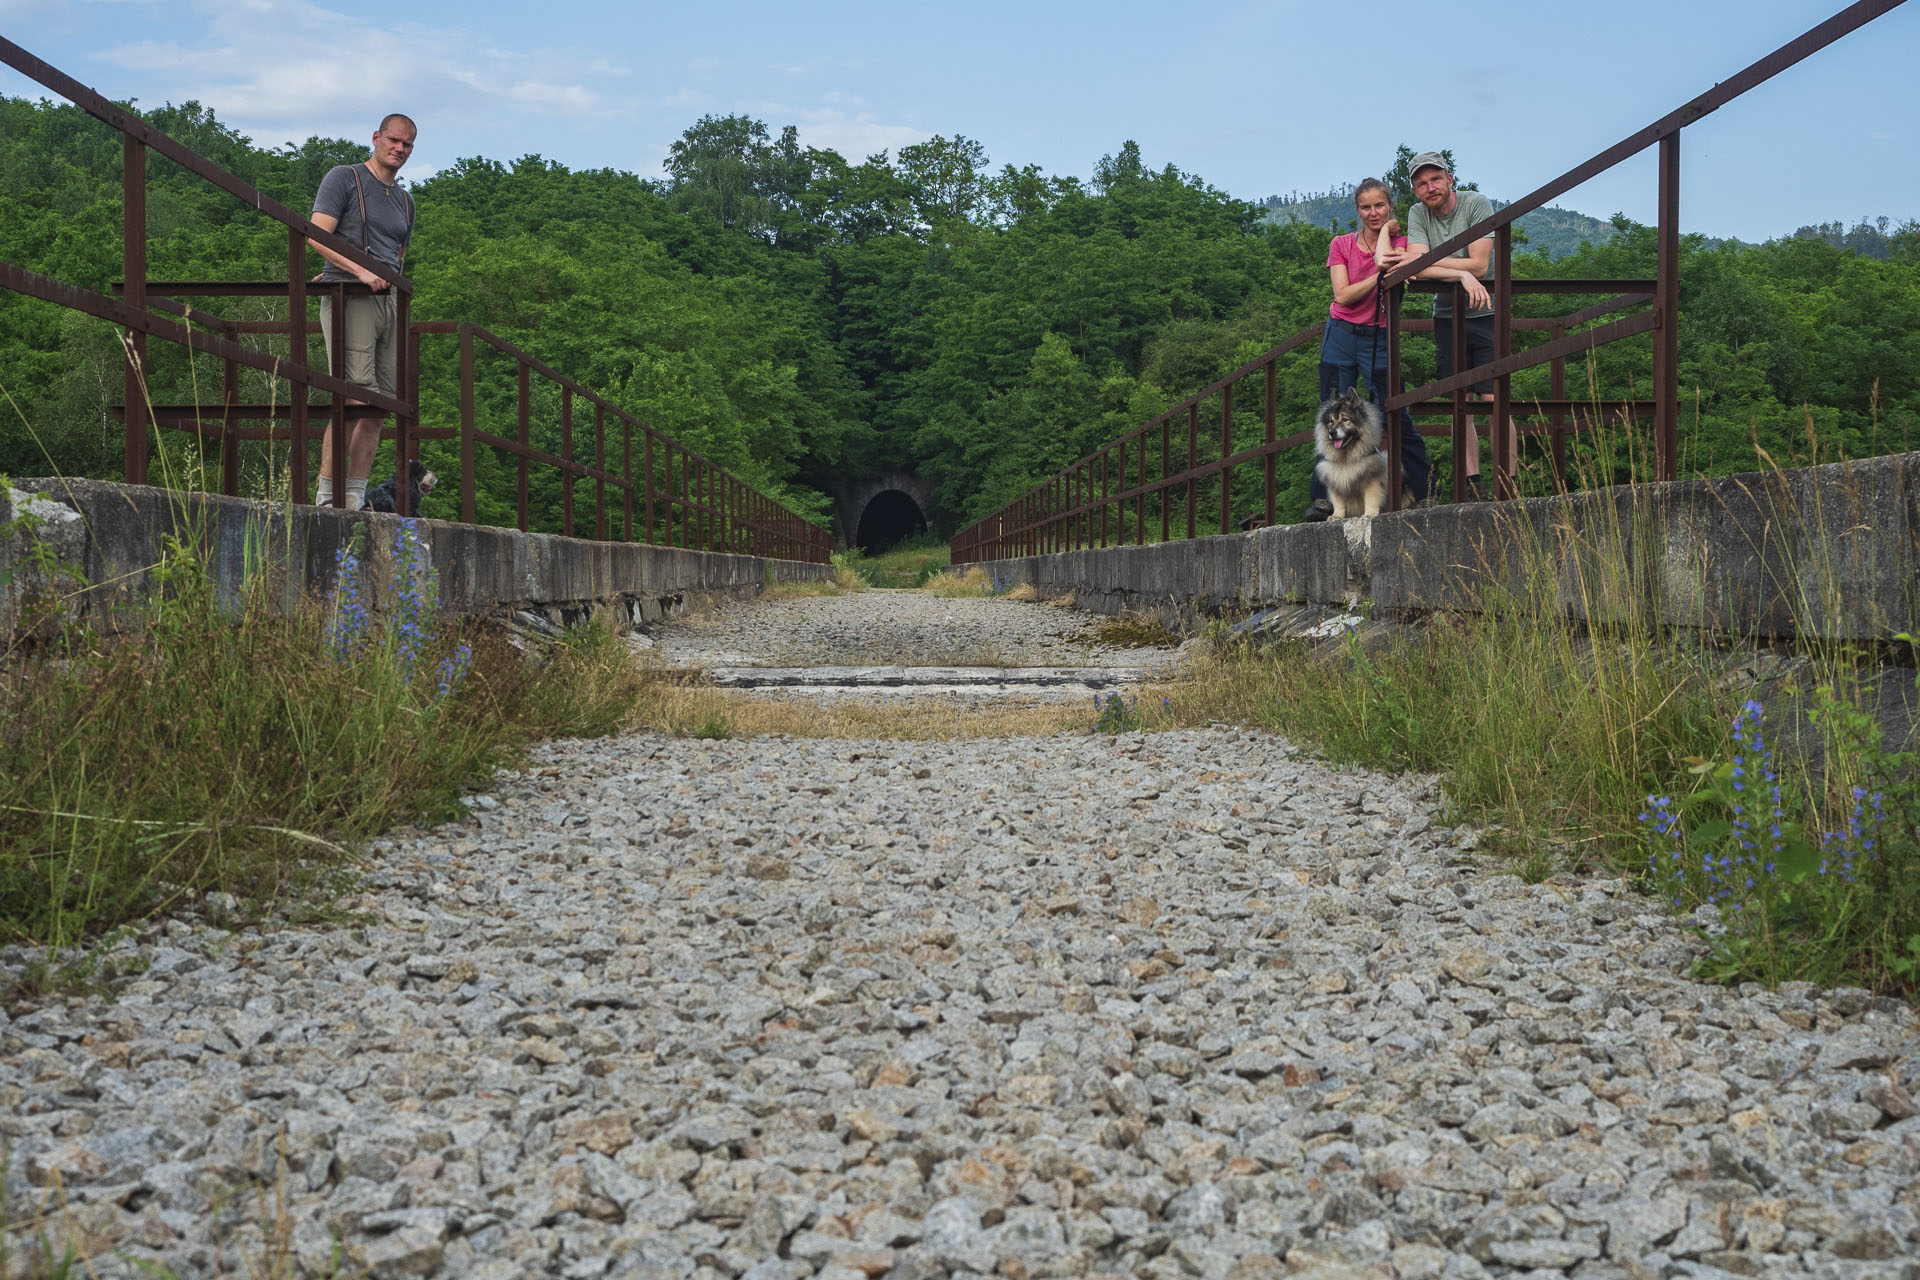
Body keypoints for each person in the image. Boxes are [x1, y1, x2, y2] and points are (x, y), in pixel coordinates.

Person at [1303, 177, 1431, 522]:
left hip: (1380, 333)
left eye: (1379, 206)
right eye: (1365, 207)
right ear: (1357, 211)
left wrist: (1389, 235)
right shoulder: (1341, 244)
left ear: (1390, 206)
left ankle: (1424, 490)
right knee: (1331, 413)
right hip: (1341, 333)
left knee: (1395, 412)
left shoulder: (1403, 242)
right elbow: (1342, 295)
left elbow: (1415, 267)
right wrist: (1379, 276)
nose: (1372, 213)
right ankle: (1324, 499)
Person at [1388, 151, 1514, 499]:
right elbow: (1413, 266)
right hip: (1447, 316)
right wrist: (1459, 271)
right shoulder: (1418, 214)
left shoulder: (1476, 204)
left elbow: (1479, 265)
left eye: (1435, 179)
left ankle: (1509, 484)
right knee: (1460, 403)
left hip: (1486, 312)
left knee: (1493, 400)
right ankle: (1472, 487)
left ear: (1450, 178)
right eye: (1421, 183)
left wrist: (1448, 267)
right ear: (1415, 190)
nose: (1430, 188)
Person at [308, 114, 417, 510]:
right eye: (393, 140)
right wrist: (353, 270)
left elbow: (398, 254)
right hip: (351, 295)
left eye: (407, 144)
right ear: (376, 137)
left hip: (390, 302)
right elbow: (317, 231)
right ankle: (326, 497)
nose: (399, 148)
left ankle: (353, 498)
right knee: (353, 398)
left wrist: (382, 278)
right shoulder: (345, 177)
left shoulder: (406, 200)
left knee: (380, 407)